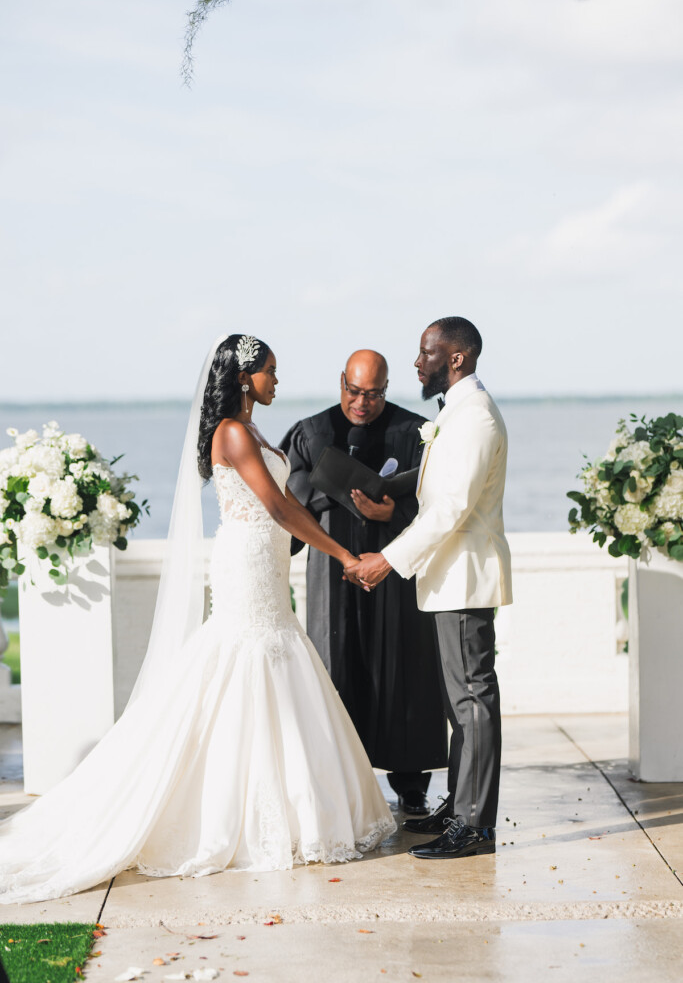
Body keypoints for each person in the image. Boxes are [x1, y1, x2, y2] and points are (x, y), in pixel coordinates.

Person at [0, 334, 395, 905]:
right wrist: (344, 554)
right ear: (244, 377)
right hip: (247, 562)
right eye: (270, 372)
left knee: (274, 663)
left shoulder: (252, 428)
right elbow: (279, 506)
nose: (277, 381)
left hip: (264, 562)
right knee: (240, 662)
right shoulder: (232, 433)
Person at [350, 318, 512, 860]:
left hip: (464, 576)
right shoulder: (457, 414)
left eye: (426, 353)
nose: (418, 363)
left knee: (471, 699)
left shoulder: (475, 418)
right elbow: (436, 494)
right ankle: (461, 804)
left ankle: (475, 825)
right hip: (449, 576)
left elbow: (451, 509)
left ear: (457, 358)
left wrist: (387, 560)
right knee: (460, 701)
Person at [280, 350, 447, 815]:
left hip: (393, 572)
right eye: (354, 391)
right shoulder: (311, 433)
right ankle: (334, 782)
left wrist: (394, 512)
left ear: (386, 389)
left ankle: (411, 784)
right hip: (333, 573)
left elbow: (441, 504)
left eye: (373, 394)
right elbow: (289, 505)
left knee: (404, 673)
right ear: (341, 383)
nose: (362, 403)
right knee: (336, 669)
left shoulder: (413, 431)